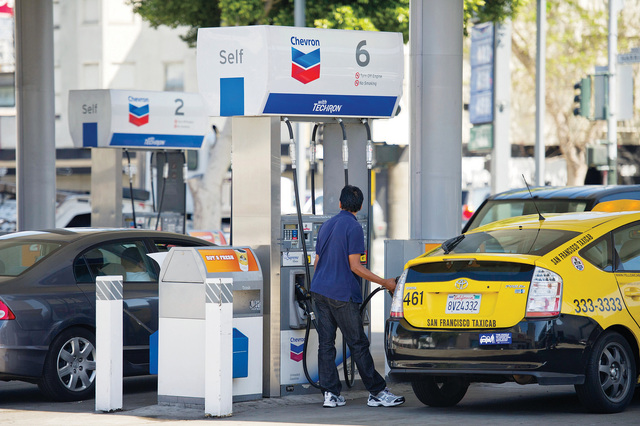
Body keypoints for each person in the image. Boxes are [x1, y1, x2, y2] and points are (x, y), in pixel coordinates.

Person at [311, 185, 405, 408]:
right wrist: (385, 282)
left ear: (340, 204)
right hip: (341, 294)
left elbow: (317, 262)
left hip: (319, 291)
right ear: (361, 206)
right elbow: (355, 266)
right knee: (358, 343)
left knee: (326, 344)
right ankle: (377, 392)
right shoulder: (354, 227)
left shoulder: (326, 225)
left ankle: (330, 394)